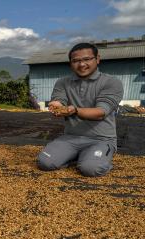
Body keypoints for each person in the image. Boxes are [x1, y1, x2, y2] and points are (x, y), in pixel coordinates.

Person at [37, 42, 124, 177]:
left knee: (91, 169)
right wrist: (55, 106)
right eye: (76, 61)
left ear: (97, 59)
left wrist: (74, 110)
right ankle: (76, 156)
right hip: (71, 137)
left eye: (87, 59)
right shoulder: (63, 82)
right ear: (70, 63)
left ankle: (93, 157)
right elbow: (58, 101)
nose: (82, 64)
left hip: (101, 139)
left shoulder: (111, 82)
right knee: (45, 162)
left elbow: (101, 112)